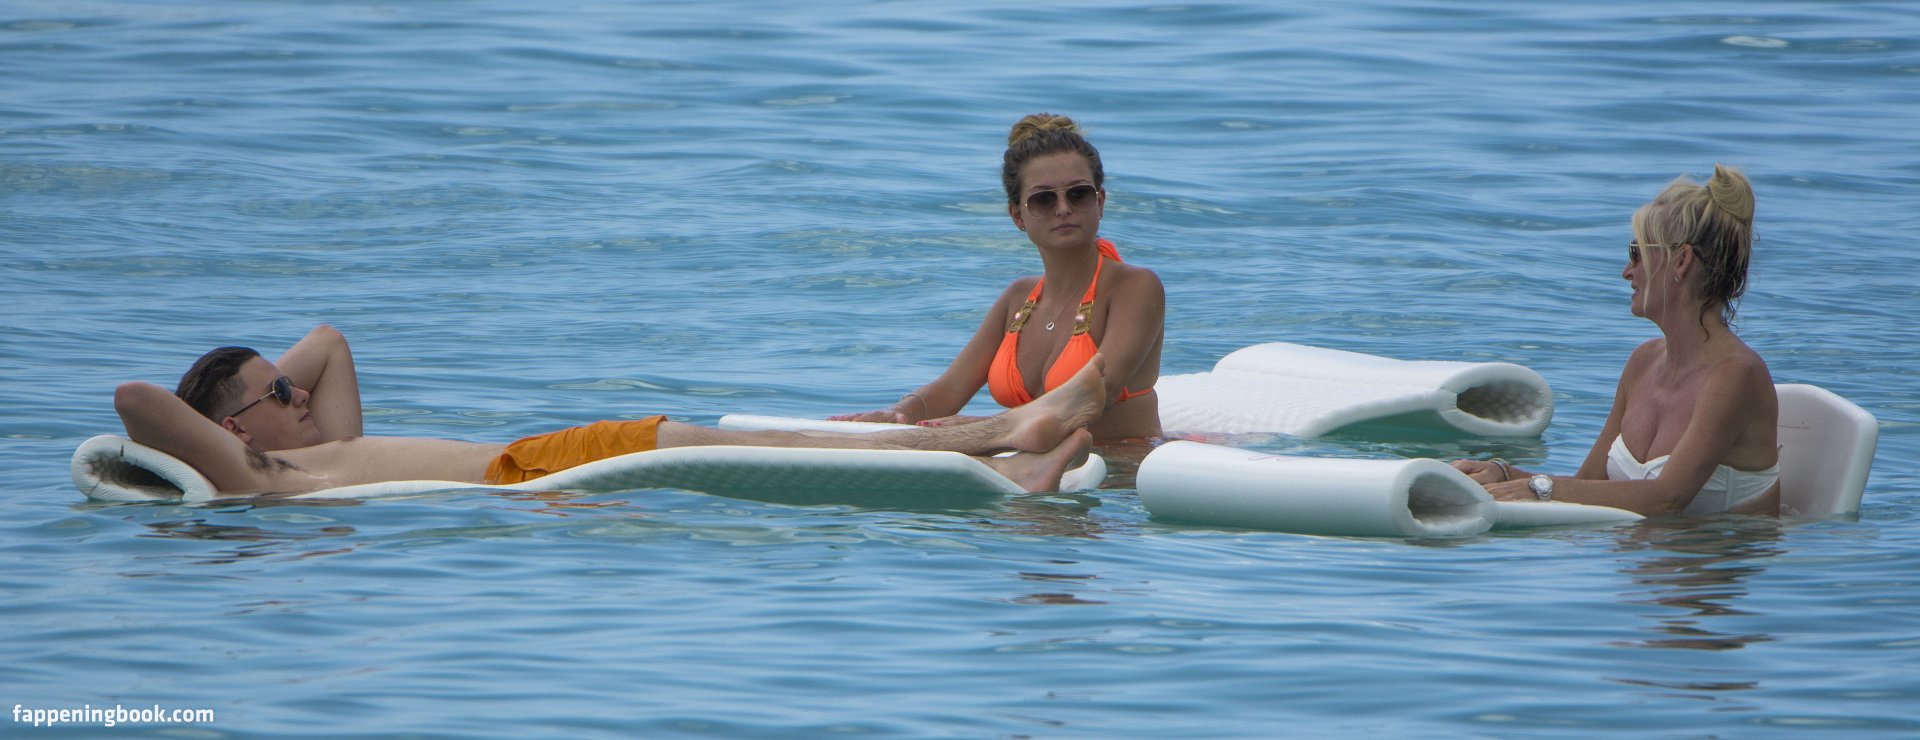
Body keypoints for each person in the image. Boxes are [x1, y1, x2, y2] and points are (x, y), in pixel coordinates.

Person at [115, 325, 1105, 497]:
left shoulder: (310, 454)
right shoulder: (260, 475)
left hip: (540, 458)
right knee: (776, 443)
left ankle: (1002, 441)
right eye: (279, 393)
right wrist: (234, 413)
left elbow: (328, 339)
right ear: (231, 431)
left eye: (291, 387)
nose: (301, 390)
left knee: (779, 439)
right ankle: (1004, 446)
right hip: (532, 470)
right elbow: (135, 399)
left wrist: (258, 393)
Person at [1452, 165, 1780, 516]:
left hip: (1715, 551)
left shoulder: (1734, 375)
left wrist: (1536, 489)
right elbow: (1588, 482)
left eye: (1637, 253)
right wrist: (1503, 473)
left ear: (1681, 261)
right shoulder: (1644, 362)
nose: (1626, 271)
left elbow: (1666, 499)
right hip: (1641, 550)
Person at [831, 113, 1164, 439]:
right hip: (1033, 464)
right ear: (1018, 216)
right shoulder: (1019, 298)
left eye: (1078, 194)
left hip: (1120, 469)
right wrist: (897, 413)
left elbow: (1096, 393)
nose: (1063, 208)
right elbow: (951, 389)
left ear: (1100, 202)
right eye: (1043, 200)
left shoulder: (1135, 287)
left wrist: (987, 426)